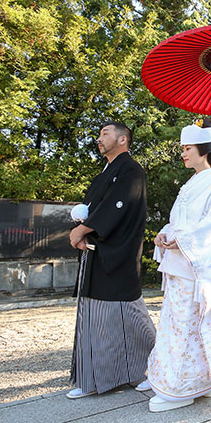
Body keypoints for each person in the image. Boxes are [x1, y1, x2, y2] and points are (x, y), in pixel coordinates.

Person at [146, 116, 211, 412]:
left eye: (188, 148)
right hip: (182, 265)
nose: (184, 153)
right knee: (180, 325)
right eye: (183, 148)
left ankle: (183, 387)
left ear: (204, 150)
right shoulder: (193, 184)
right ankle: (196, 380)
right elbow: (181, 223)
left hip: (195, 267)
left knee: (188, 324)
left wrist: (183, 241)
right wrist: (166, 234)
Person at [67, 122, 156, 399]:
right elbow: (95, 208)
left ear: (122, 139)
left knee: (130, 314)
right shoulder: (107, 171)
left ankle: (160, 368)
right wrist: (85, 229)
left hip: (120, 253)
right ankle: (97, 377)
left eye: (105, 133)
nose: (99, 138)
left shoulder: (131, 170)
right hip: (99, 250)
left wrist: (83, 229)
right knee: (97, 318)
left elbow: (117, 206)